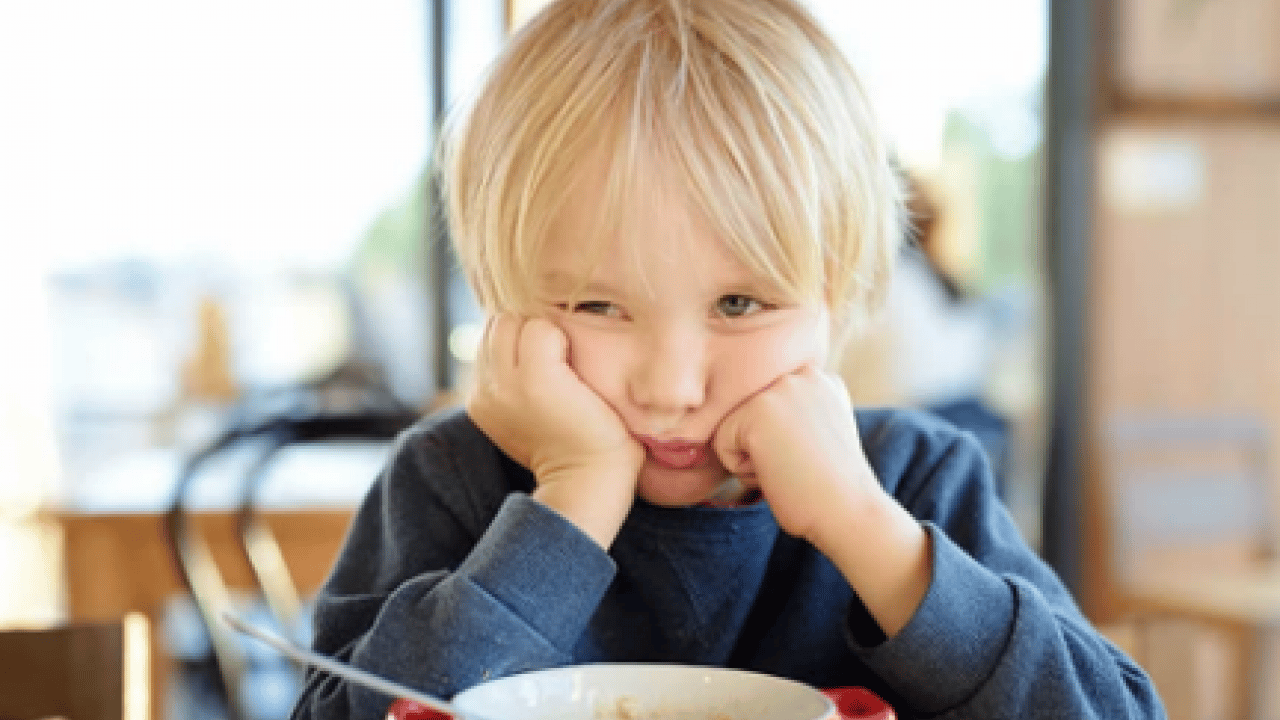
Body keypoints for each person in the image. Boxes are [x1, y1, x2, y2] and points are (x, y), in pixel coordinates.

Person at [292, 1, 1165, 718]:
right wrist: (574, 495)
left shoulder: (913, 480)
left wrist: (865, 529)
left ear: (837, 293)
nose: (671, 388)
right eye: (599, 305)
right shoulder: (449, 481)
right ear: (506, 299)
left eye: (740, 305)